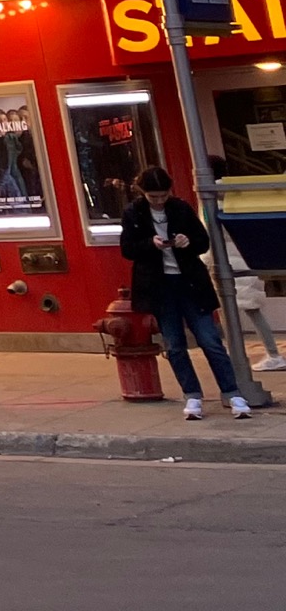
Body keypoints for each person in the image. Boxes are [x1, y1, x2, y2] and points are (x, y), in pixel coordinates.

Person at [120, 166, 253, 420]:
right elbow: (127, 249)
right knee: (174, 344)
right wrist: (151, 244)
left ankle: (232, 392)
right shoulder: (133, 213)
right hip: (160, 286)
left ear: (170, 191)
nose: (159, 201)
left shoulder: (181, 208)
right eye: (153, 196)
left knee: (210, 340)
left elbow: (203, 241)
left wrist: (187, 241)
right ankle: (192, 395)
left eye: (163, 195)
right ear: (143, 193)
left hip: (190, 282)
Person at [223, 229, 284, 372]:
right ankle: (272, 354)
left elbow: (210, 246)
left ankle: (272, 354)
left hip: (232, 268)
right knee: (251, 312)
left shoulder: (214, 212)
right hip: (246, 265)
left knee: (235, 314)